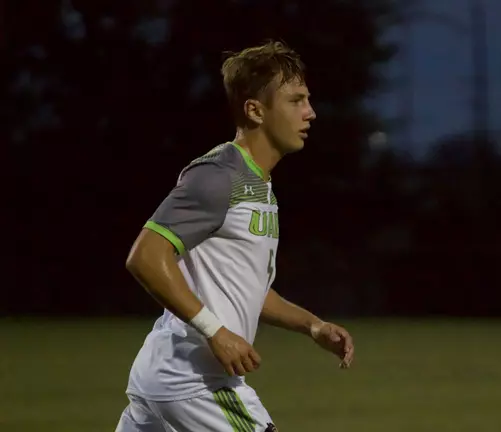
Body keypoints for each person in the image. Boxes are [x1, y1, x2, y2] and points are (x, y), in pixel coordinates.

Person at [116, 40, 354, 432]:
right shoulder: (218, 176)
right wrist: (216, 332)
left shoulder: (259, 185)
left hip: (164, 378)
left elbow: (247, 290)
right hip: (193, 382)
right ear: (255, 110)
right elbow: (145, 256)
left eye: (308, 100)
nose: (310, 112)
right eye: (296, 100)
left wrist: (312, 325)